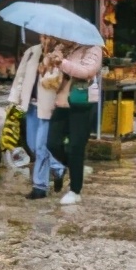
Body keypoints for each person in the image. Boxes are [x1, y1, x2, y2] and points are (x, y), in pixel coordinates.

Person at [43, 38, 103, 205]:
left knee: (76, 146)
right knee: (52, 143)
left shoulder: (92, 49)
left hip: (81, 102)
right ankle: (75, 167)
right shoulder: (61, 48)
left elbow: (87, 72)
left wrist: (62, 62)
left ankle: (75, 190)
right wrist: (50, 58)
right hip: (61, 102)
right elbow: (49, 69)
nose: (60, 38)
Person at [7, 34, 65, 200]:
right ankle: (58, 167)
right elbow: (20, 77)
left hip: (48, 106)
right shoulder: (32, 52)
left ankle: (40, 186)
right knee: (32, 145)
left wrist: (49, 68)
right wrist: (14, 99)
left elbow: (60, 81)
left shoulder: (60, 56)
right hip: (30, 105)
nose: (45, 39)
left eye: (49, 36)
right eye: (43, 36)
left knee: (41, 146)